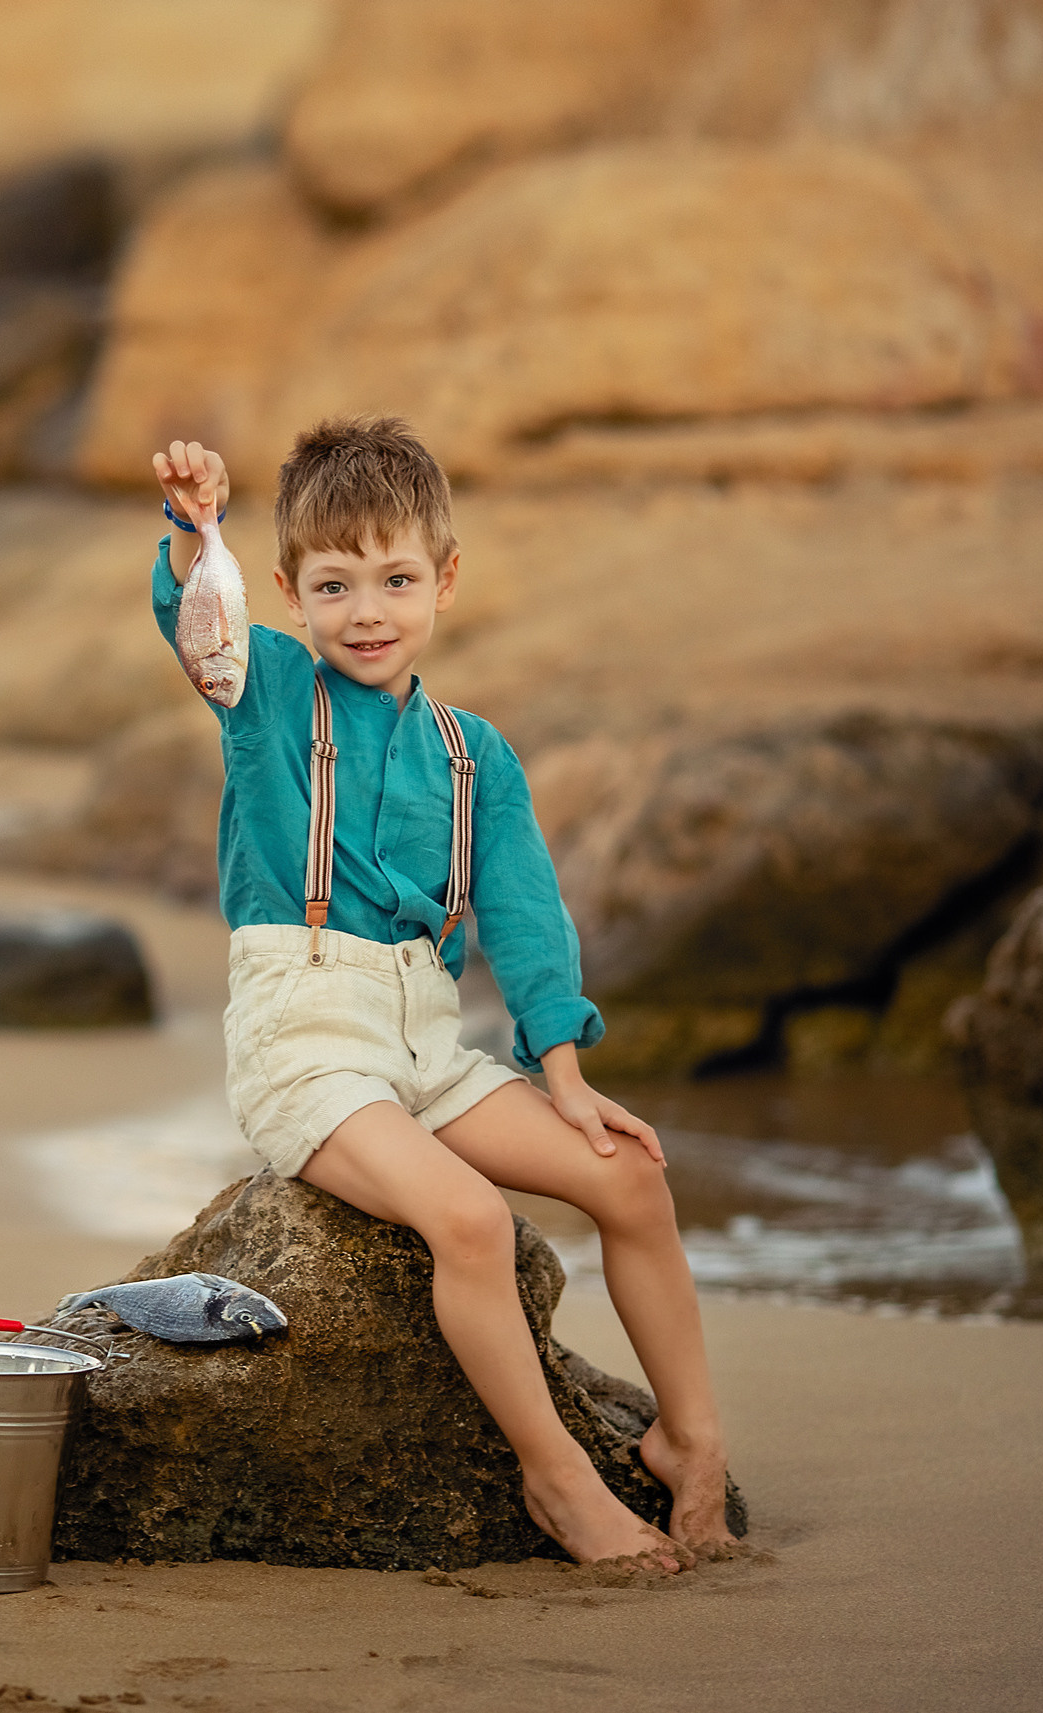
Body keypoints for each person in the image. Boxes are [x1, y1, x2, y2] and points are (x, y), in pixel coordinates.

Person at [150, 418, 734, 1570]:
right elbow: (192, 616)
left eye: (397, 580)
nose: (367, 612)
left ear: (446, 580)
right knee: (470, 1219)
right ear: (289, 594)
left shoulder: (475, 755)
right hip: (307, 1042)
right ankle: (556, 1477)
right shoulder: (268, 693)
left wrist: (563, 1074)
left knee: (630, 1177)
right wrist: (191, 525)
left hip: (427, 1046)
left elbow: (525, 919)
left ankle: (692, 1437)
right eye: (334, 586)